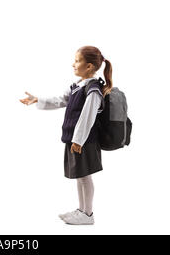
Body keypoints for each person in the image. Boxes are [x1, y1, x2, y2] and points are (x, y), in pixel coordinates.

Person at [20, 46, 112, 225]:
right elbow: (61, 100)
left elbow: (88, 117)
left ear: (89, 67)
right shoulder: (78, 86)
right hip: (76, 140)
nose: (73, 64)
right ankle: (82, 210)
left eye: (77, 61)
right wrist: (38, 100)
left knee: (85, 176)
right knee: (80, 176)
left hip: (84, 140)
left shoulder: (93, 89)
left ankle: (88, 214)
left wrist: (78, 140)